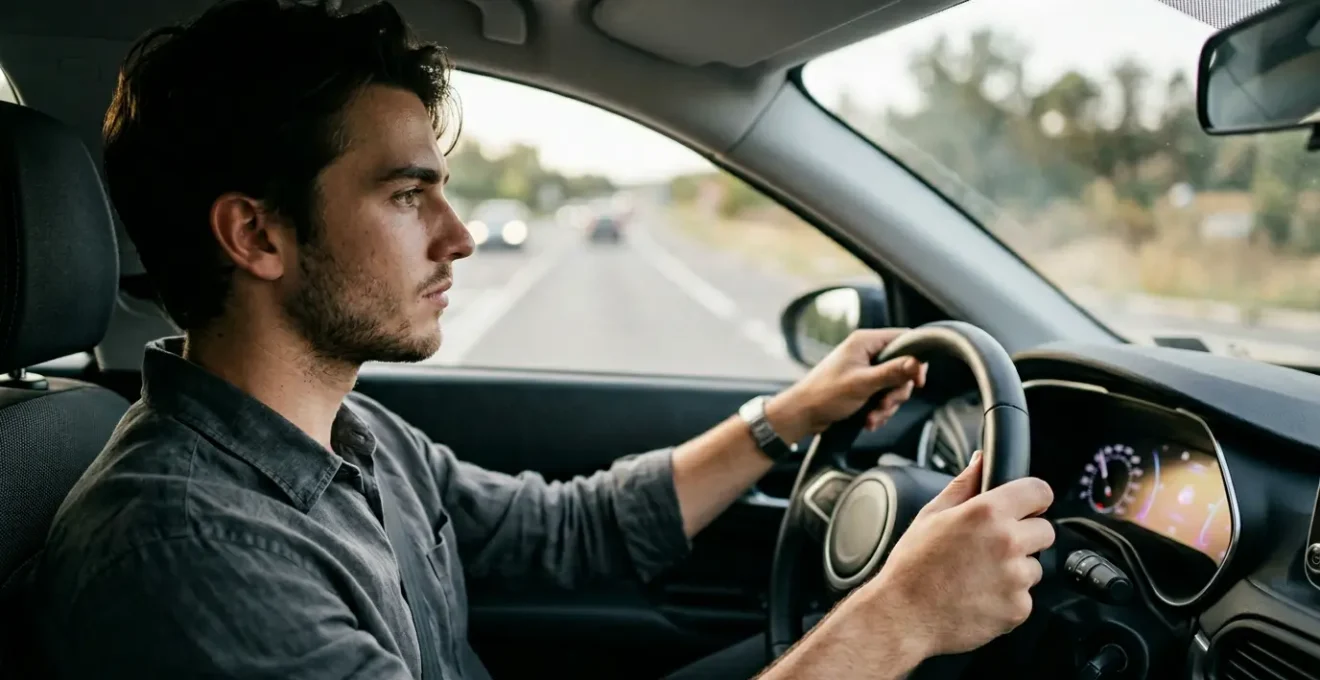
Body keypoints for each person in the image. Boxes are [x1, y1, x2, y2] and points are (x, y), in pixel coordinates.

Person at [30, 1, 1056, 678]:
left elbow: (566, 530)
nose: (459, 236)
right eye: (405, 196)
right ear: (256, 233)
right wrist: (900, 618)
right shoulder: (184, 555)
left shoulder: (353, 435)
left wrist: (785, 416)